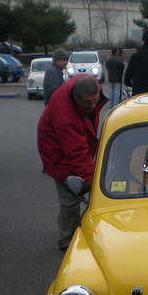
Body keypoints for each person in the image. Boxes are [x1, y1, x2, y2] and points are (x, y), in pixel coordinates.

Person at [37, 75, 107, 251]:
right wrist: (94, 184)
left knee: (85, 180)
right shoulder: (66, 118)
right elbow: (77, 154)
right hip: (57, 152)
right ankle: (67, 240)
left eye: (94, 101)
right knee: (70, 197)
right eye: (87, 103)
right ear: (75, 97)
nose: (92, 106)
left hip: (73, 142)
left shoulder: (89, 84)